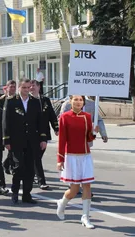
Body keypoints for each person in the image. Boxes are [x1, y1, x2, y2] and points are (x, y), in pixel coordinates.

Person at [2, 79, 47, 204]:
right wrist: (6, 140)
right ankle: (15, 192)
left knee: (30, 169)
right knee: (18, 167)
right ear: (19, 88)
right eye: (24, 88)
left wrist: (43, 139)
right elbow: (6, 121)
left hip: (32, 141)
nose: (27, 90)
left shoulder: (35, 102)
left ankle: (27, 194)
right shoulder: (11, 101)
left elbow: (41, 122)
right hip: (16, 141)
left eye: (28, 88)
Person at [56, 95, 96, 229]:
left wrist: (94, 133)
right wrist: (60, 159)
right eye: (76, 100)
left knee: (87, 186)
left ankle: (85, 216)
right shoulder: (65, 117)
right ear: (70, 101)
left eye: (81, 100)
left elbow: (89, 138)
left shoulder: (87, 117)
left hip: (85, 155)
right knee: (73, 190)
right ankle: (62, 203)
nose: (79, 102)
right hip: (71, 156)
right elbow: (62, 139)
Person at [30, 80, 58, 190]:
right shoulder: (28, 100)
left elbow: (52, 115)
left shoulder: (45, 100)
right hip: (31, 133)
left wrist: (56, 128)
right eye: (30, 86)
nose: (32, 88)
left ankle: (30, 176)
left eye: (33, 86)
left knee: (37, 156)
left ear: (38, 87)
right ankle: (41, 181)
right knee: (36, 157)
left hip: (44, 133)